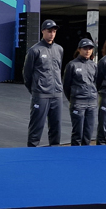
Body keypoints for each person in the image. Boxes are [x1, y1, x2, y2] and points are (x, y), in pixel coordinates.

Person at [23, 19, 64, 147]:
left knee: (56, 126)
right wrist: (36, 89)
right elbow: (27, 74)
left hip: (56, 94)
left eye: (54, 31)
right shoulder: (35, 50)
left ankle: (55, 151)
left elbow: (58, 69)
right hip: (40, 94)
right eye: (49, 31)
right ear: (43, 31)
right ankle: (32, 151)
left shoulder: (59, 49)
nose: (52, 34)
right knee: (37, 126)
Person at [63, 38, 97, 146]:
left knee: (88, 134)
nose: (87, 51)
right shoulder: (72, 65)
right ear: (79, 49)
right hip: (78, 103)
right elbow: (66, 85)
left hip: (91, 103)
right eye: (85, 48)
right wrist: (73, 99)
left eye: (90, 48)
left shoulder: (94, 65)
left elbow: (97, 82)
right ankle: (75, 157)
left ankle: (85, 157)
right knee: (77, 133)